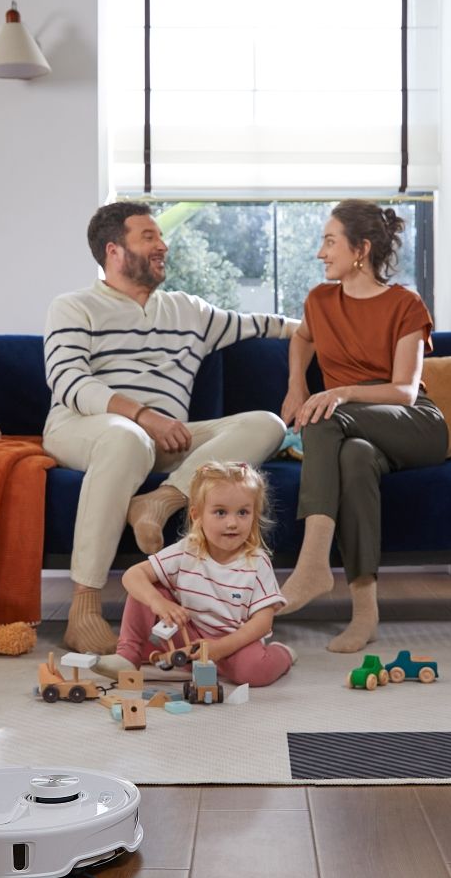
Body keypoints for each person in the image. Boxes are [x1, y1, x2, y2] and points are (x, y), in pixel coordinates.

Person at [44, 202, 294, 654]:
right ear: (113, 250)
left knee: (266, 423)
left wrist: (345, 325)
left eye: (160, 237)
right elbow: (68, 381)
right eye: (148, 237)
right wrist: (143, 415)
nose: (163, 245)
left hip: (165, 440)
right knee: (127, 438)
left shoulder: (188, 311)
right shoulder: (73, 306)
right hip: (86, 428)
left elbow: (266, 326)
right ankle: (83, 609)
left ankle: (159, 501)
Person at [279, 202, 446, 653]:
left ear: (361, 249)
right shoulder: (319, 301)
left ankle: (313, 565)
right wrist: (297, 385)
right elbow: (301, 339)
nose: (320, 252)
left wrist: (343, 392)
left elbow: (405, 392)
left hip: (413, 425)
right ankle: (365, 614)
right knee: (353, 458)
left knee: (324, 413)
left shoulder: (405, 304)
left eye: (330, 241)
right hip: (355, 435)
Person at [114, 460, 293, 687]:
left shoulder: (256, 562)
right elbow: (132, 576)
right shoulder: (187, 550)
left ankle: (282, 654)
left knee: (254, 671)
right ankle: (127, 656)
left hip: (232, 642)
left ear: (254, 516)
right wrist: (158, 602)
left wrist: (220, 648)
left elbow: (262, 623)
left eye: (243, 513)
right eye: (220, 512)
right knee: (146, 586)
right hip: (188, 633)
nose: (232, 523)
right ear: (197, 516)